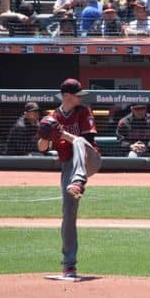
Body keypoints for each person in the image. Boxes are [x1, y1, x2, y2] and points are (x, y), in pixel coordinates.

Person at [37, 78, 102, 278]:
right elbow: (42, 149)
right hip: (68, 167)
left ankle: (78, 182)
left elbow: (86, 141)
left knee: (79, 143)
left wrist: (62, 133)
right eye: (77, 95)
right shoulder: (52, 117)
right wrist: (45, 135)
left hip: (89, 159)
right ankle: (69, 265)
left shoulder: (83, 112)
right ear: (66, 96)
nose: (81, 98)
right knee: (68, 214)